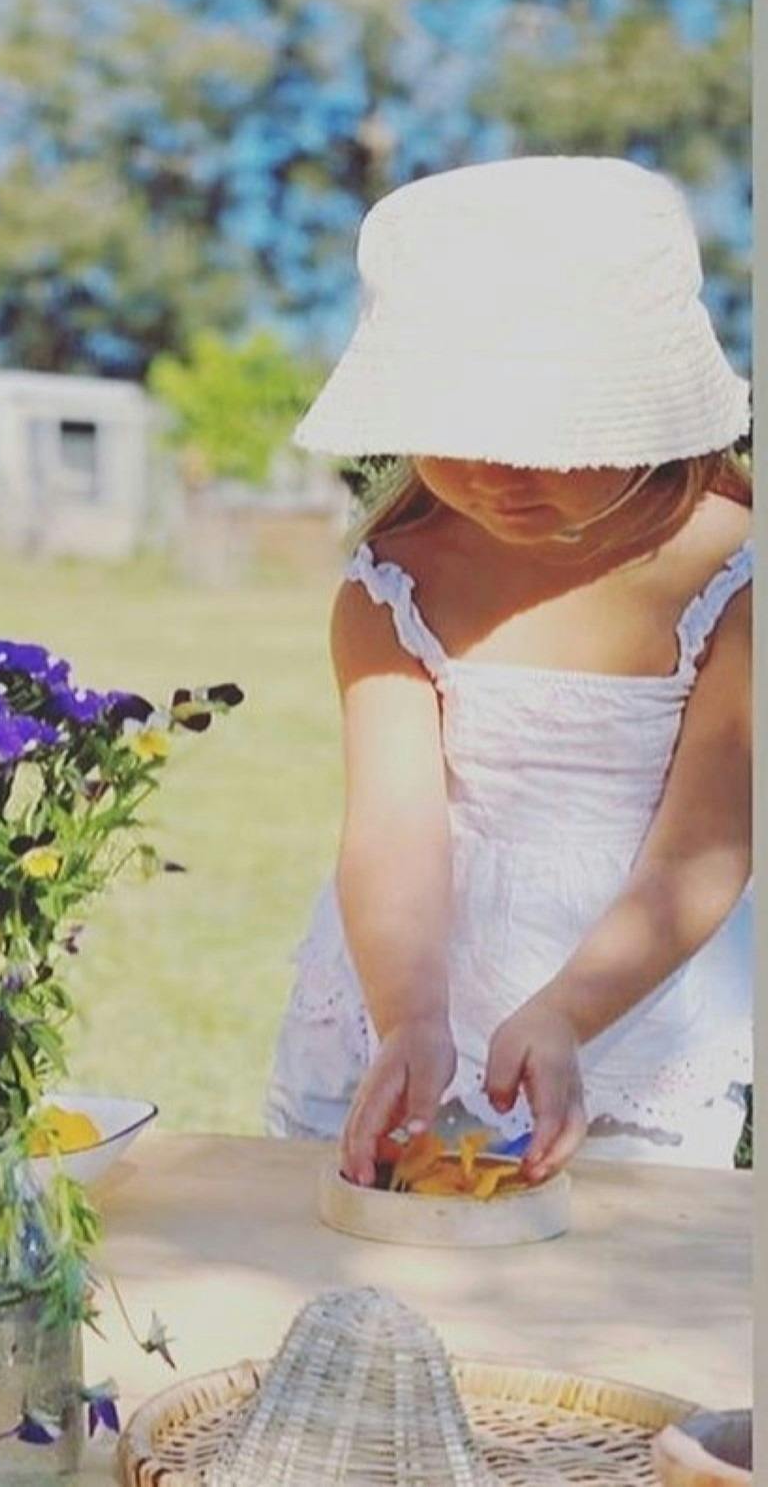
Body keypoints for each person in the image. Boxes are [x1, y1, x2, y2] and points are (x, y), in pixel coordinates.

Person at [265, 156, 752, 1182]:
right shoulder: (392, 583)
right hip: (403, 988)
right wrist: (407, 1015)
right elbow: (393, 828)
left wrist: (567, 1013)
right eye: (452, 425)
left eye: (537, 432)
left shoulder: (732, 575)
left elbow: (701, 855)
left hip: (628, 1011)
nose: (490, 470)